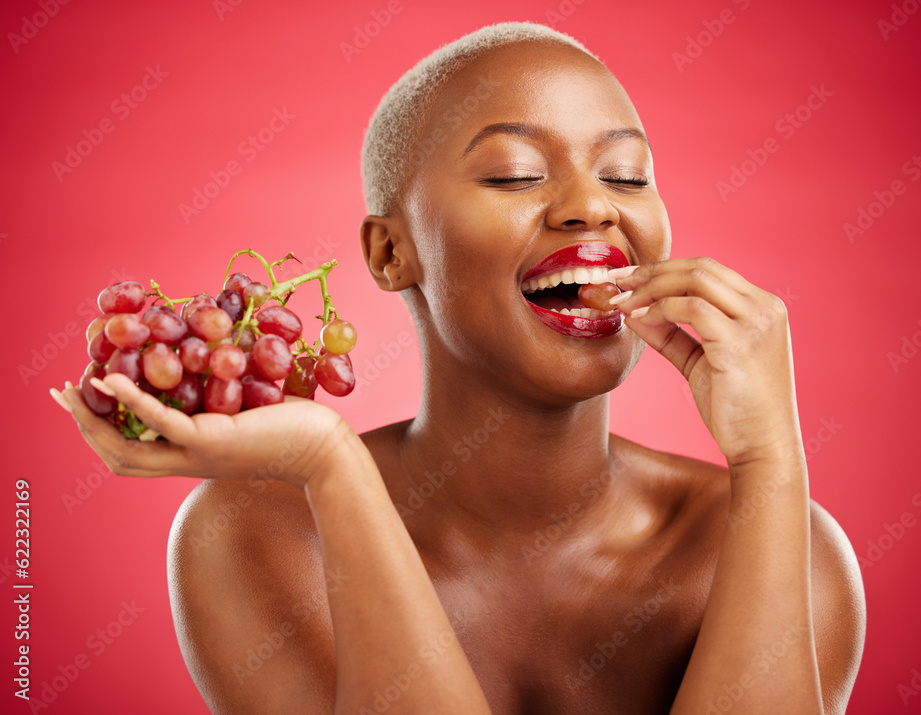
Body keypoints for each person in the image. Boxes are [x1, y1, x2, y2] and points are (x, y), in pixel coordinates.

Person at [52, 22, 865, 715]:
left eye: (626, 174)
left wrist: (771, 460)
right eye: (515, 173)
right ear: (391, 251)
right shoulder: (258, 532)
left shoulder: (776, 539)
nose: (594, 206)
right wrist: (330, 468)